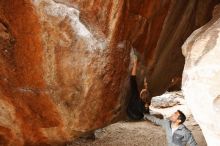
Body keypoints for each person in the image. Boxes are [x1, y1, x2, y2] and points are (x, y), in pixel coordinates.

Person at [127, 55, 148, 120]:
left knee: (133, 83)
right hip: (139, 117)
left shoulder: (135, 94)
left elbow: (133, 77)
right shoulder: (146, 102)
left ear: (140, 94)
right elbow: (145, 94)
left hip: (130, 114)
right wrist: (145, 85)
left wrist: (135, 63)